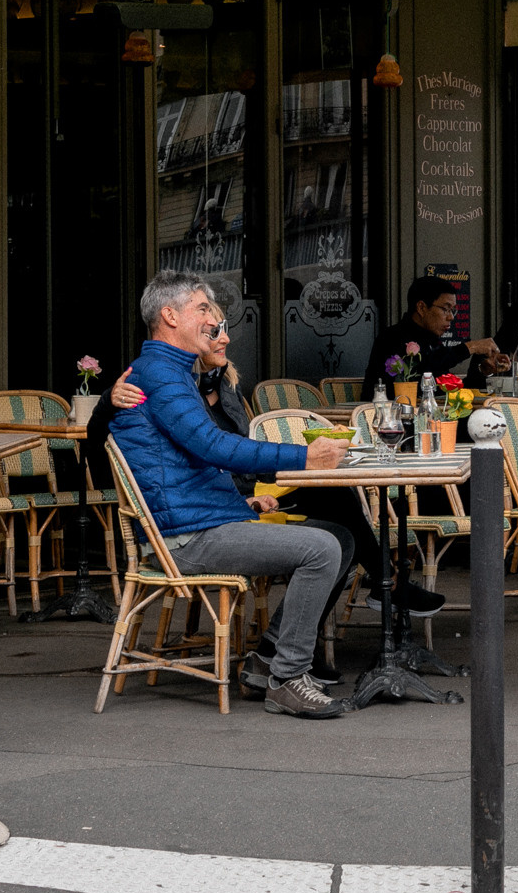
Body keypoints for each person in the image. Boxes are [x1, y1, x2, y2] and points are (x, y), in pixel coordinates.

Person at [97, 322, 445, 689]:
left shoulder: (216, 386)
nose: (224, 338)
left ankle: (274, 655)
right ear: (173, 321)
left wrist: (245, 494)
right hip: (194, 526)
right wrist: (107, 398)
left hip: (229, 499)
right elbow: (216, 450)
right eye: (212, 329)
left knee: (339, 529)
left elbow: (217, 455)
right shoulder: (164, 385)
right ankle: (291, 671)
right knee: (327, 537)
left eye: (221, 329)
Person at [109, 269, 354, 720]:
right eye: (202, 308)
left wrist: (240, 501)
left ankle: (265, 664)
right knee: (321, 549)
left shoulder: (172, 370)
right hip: (186, 539)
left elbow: (187, 462)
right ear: (169, 315)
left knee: (339, 537)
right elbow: (213, 446)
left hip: (203, 521)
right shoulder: (161, 373)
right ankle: (287, 679)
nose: (212, 320)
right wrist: (305, 459)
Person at [361, 275, 506, 394]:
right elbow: (426, 369)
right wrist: (471, 347)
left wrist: (482, 370)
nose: (451, 317)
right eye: (446, 309)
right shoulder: (392, 337)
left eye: (453, 310)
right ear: (422, 307)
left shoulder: (432, 341)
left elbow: (448, 389)